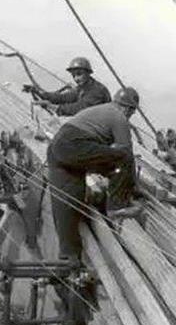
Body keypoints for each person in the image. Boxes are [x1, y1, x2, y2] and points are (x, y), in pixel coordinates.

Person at [46, 86, 142, 264]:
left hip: (57, 147)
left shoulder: (101, 110)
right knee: (123, 157)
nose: (129, 116)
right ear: (128, 108)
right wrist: (133, 190)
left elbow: (100, 155)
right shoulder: (119, 116)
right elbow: (125, 153)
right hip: (75, 145)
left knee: (67, 198)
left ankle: (69, 255)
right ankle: (116, 206)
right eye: (131, 112)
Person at [24, 57, 111, 116]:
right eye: (73, 75)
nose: (76, 79)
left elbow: (79, 109)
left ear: (88, 73)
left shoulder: (97, 90)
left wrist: (52, 107)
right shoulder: (82, 88)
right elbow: (63, 98)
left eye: (79, 74)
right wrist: (39, 93)